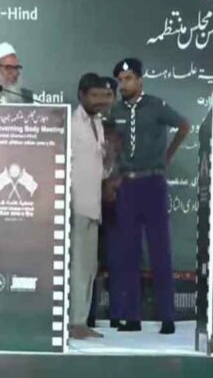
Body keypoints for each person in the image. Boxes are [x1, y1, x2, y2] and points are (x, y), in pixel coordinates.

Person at [109, 58, 190, 335]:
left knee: (160, 251)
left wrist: (167, 157)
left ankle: (168, 316)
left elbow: (184, 126)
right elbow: (113, 142)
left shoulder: (156, 106)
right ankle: (132, 316)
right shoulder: (115, 111)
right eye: (120, 80)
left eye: (128, 79)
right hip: (127, 186)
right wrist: (116, 170)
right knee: (129, 252)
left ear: (140, 81)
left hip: (153, 183)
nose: (123, 84)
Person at [69, 74, 109, 339]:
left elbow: (99, 167)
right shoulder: (72, 124)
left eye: (101, 95)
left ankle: (80, 321)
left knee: (89, 268)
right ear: (81, 95)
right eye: (93, 95)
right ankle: (75, 322)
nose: (98, 101)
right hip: (77, 204)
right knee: (78, 268)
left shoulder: (98, 123)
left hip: (94, 205)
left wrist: (110, 163)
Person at [87, 76, 122, 329]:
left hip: (118, 203)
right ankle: (87, 314)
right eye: (99, 95)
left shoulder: (123, 126)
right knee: (89, 260)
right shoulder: (84, 125)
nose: (104, 101)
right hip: (89, 201)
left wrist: (116, 184)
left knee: (118, 259)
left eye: (109, 96)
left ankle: (118, 313)